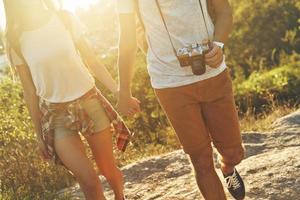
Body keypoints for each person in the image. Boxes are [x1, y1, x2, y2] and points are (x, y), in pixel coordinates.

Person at [3, 0, 133, 199]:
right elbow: (29, 92)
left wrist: (118, 92)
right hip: (55, 115)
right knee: (89, 182)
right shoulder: (15, 40)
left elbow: (93, 61)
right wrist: (39, 136)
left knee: (108, 170)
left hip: (89, 103)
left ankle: (119, 195)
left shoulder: (64, 18)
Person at [117, 0, 245, 199]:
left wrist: (218, 45)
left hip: (213, 75)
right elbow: (128, 39)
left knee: (234, 153)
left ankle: (228, 167)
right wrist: (123, 90)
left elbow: (223, 10)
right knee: (200, 160)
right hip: (170, 84)